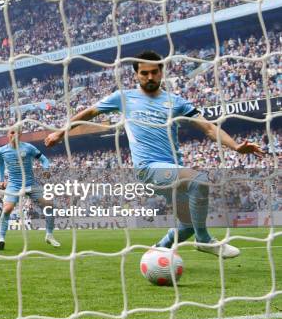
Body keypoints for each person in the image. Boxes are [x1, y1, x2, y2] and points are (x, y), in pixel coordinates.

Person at [45, 51, 263, 258]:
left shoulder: (176, 102)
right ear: (136, 74)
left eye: (154, 72)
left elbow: (208, 128)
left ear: (161, 72)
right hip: (148, 167)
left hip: (171, 168)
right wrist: (60, 132)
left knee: (187, 225)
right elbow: (89, 112)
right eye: (144, 73)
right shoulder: (124, 97)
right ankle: (204, 239)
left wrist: (235, 146)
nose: (149, 77)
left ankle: (158, 250)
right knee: (200, 180)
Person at [0, 127, 60, 250]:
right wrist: (1, 180)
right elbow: (0, 165)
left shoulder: (28, 147)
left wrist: (46, 169)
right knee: (7, 209)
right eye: (12, 132)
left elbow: (44, 159)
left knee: (49, 205)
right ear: (8, 135)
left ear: (21, 134)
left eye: (17, 132)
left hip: (30, 184)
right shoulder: (1, 151)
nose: (14, 134)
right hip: (14, 185)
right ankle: (1, 239)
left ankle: (49, 235)